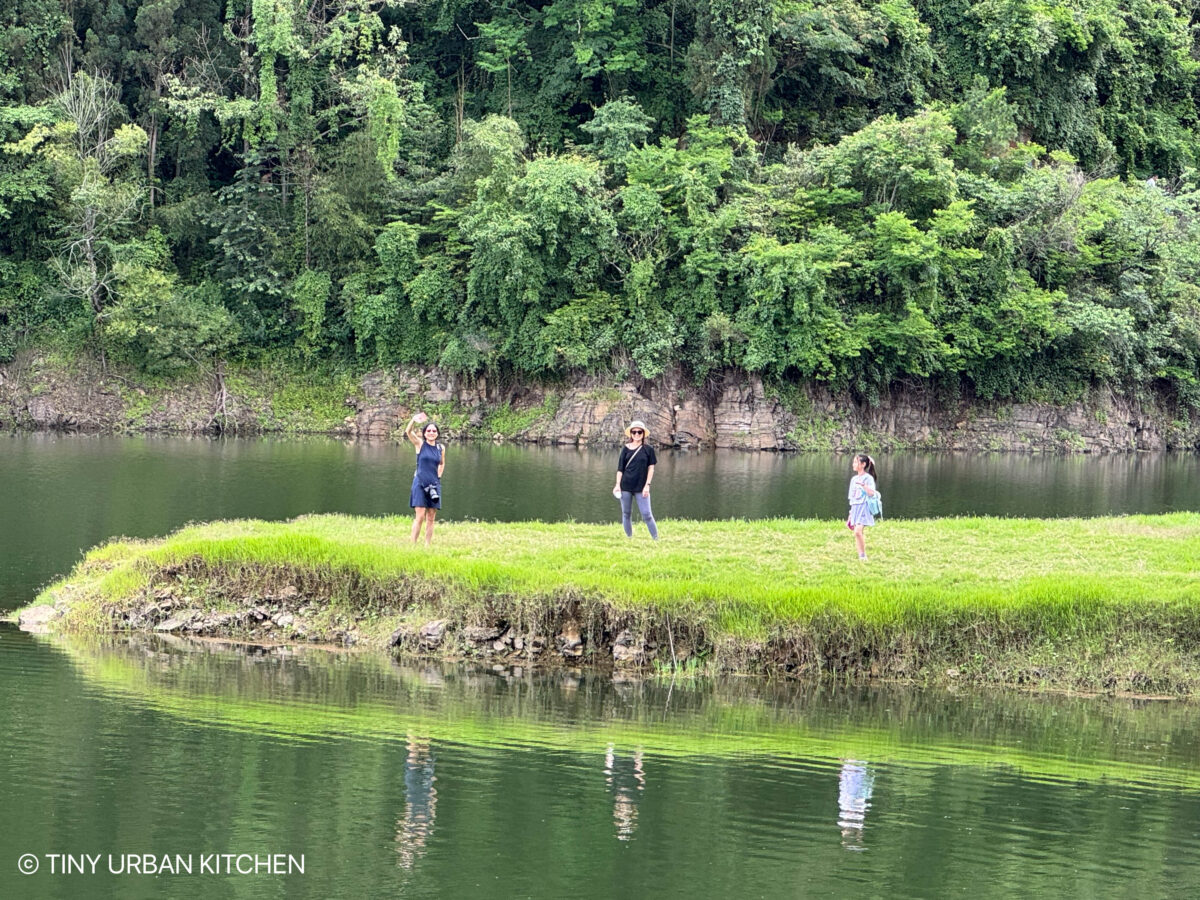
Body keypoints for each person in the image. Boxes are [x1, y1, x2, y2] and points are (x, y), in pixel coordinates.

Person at [613, 420, 658, 540]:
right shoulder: (625, 449)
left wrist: (647, 485)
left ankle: (656, 539)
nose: (637, 434)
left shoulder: (648, 449)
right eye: (634, 432)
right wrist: (617, 485)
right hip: (625, 486)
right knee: (626, 513)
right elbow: (620, 469)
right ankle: (629, 538)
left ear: (643, 433)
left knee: (647, 514)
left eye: (639, 432)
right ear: (631, 434)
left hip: (641, 486)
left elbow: (651, 469)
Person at [405, 412, 445, 546]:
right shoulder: (420, 444)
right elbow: (408, 431)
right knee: (420, 515)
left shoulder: (441, 448)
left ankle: (427, 545)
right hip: (420, 483)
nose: (431, 432)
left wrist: (438, 476)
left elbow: (442, 463)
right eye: (429, 430)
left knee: (431, 517)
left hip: (434, 485)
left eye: (434, 431)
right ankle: (413, 544)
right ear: (424, 433)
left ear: (437, 433)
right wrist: (413, 420)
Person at [847, 453, 878, 561]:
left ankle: (863, 555)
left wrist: (864, 486)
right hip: (855, 508)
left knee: (858, 531)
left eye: (856, 462)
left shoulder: (868, 478)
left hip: (864, 507)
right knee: (857, 532)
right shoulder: (853, 479)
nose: (853, 464)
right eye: (854, 462)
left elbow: (872, 493)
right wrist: (850, 513)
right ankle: (861, 554)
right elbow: (851, 497)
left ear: (863, 464)